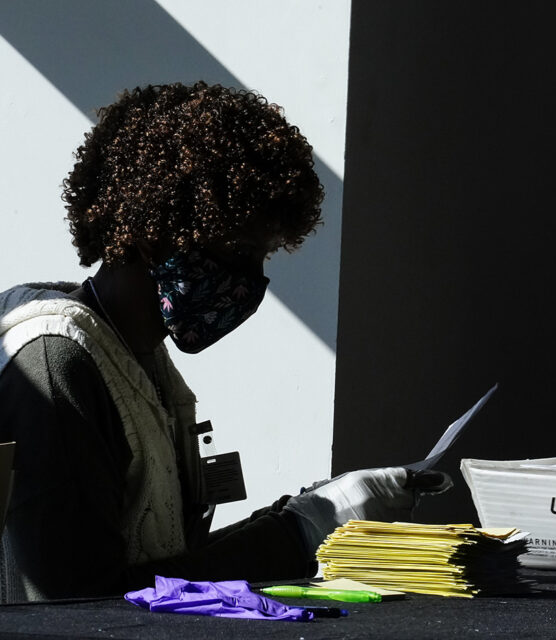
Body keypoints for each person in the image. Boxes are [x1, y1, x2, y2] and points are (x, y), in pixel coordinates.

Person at [0, 82, 446, 603]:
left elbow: (166, 569)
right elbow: (78, 604)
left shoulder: (136, 361)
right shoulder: (56, 367)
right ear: (151, 235)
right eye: (236, 251)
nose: (252, 281)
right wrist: (300, 532)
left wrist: (311, 513)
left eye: (264, 258)